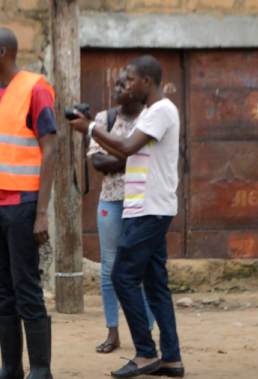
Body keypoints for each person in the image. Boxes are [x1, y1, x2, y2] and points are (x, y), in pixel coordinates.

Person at [69, 55, 184, 379]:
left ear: (146, 81)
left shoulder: (161, 110)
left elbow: (128, 146)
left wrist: (91, 127)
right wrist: (93, 129)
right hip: (144, 207)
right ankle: (171, 359)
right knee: (155, 283)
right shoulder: (151, 113)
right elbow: (122, 151)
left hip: (149, 208)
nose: (125, 84)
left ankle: (146, 352)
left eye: (129, 79)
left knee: (121, 276)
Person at [0, 28, 57, 379]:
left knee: (26, 287)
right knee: (0, 288)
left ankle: (41, 370)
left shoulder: (35, 88)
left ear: (2, 52)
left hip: (22, 207)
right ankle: (11, 367)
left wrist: (42, 212)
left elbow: (51, 149)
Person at [88, 69, 155, 355]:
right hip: (111, 201)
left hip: (143, 202)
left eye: (124, 83)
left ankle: (146, 334)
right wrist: (128, 152)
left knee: (144, 268)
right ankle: (112, 332)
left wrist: (116, 154)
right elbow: (97, 162)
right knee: (109, 268)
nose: (118, 88)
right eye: (115, 84)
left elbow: (152, 157)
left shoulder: (151, 116)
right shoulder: (105, 119)